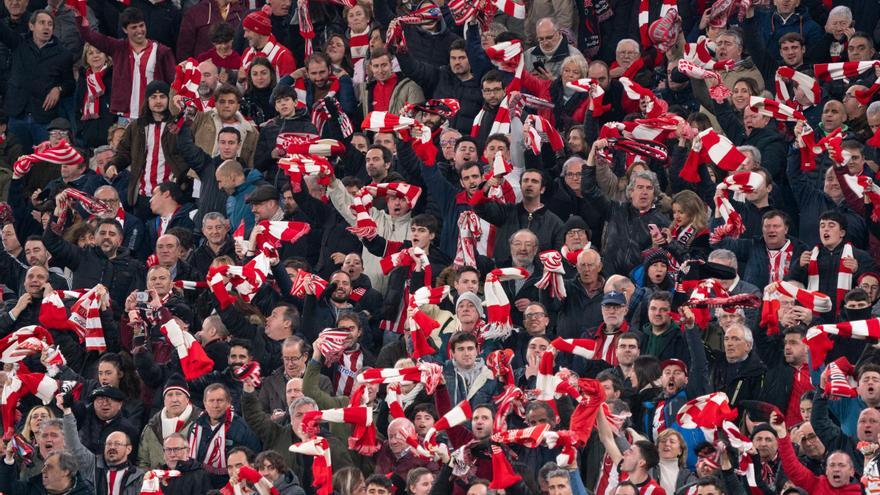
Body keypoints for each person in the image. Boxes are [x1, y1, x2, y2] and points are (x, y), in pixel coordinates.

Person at [76, 7, 176, 120]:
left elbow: (173, 83)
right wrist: (79, 17)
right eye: (134, 27)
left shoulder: (162, 52)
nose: (139, 30)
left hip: (154, 116)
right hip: (125, 118)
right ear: (125, 30)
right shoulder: (118, 48)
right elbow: (90, 36)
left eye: (141, 25)